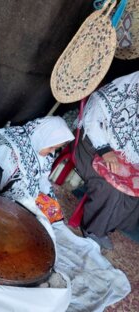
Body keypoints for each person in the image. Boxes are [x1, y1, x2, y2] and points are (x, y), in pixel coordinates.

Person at [74, 71, 139, 250]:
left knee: (134, 190)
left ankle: (107, 225)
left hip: (122, 154)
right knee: (109, 187)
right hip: (93, 145)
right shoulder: (119, 90)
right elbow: (92, 119)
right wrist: (105, 150)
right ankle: (93, 229)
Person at [0, 116, 74, 223]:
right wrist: (33, 205)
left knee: (53, 210)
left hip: (25, 196)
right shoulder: (9, 148)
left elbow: (42, 178)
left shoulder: (43, 149)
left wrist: (48, 197)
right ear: (42, 137)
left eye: (55, 148)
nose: (52, 151)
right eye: (51, 147)